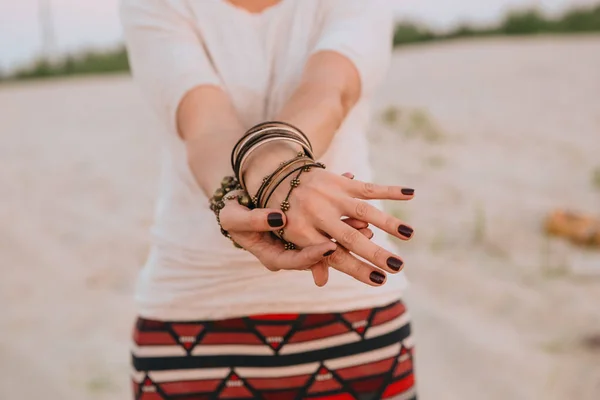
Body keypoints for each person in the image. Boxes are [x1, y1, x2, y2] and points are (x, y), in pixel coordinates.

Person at [121, 0, 416, 399]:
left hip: (354, 311)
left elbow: (331, 90)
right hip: (188, 318)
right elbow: (203, 125)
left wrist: (281, 168)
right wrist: (280, 177)